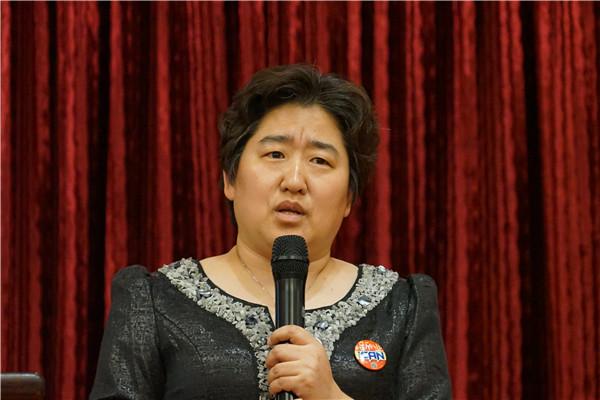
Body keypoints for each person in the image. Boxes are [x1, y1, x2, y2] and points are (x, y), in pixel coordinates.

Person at [90, 64, 451, 400]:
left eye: (320, 160)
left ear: (349, 198)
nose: (294, 181)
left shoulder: (399, 308)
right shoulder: (156, 301)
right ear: (230, 179)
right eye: (275, 154)